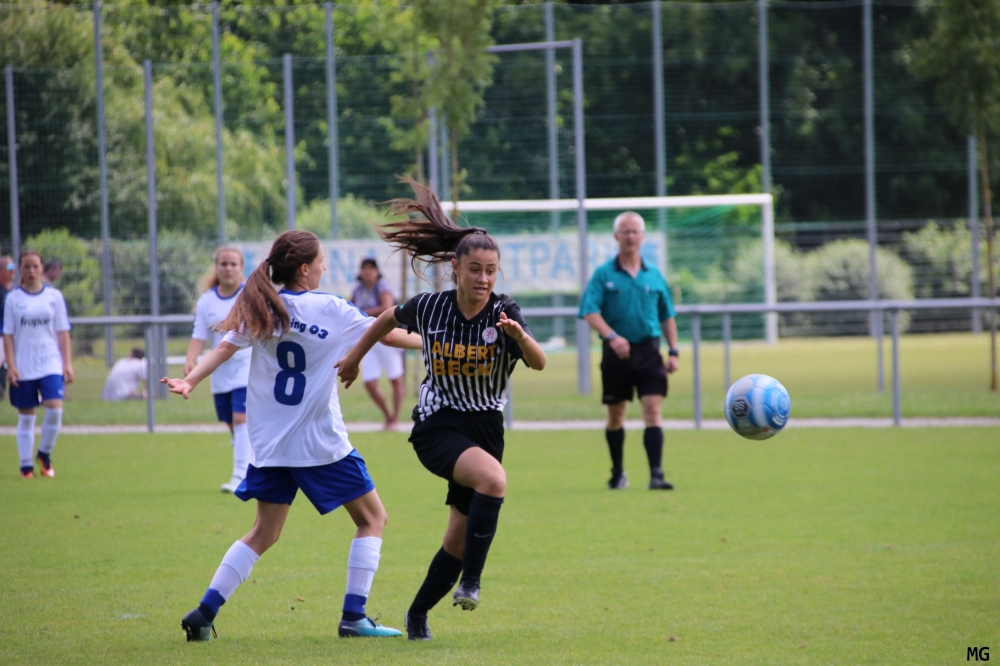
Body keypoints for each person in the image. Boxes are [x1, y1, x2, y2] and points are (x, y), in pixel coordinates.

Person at [162, 230, 423, 642]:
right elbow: (388, 334)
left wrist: (190, 380)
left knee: (263, 533)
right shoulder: (331, 308)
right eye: (320, 261)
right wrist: (436, 342)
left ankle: (204, 612)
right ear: (304, 268)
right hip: (321, 445)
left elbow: (224, 349)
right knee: (373, 519)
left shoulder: (265, 308)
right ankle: (354, 617)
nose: (324, 267)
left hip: (271, 447)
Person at [335, 178, 547, 641]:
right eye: (475, 270)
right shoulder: (431, 307)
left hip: (486, 429)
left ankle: (416, 615)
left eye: (491, 271)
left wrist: (521, 338)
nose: (483, 279)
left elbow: (538, 362)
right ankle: (472, 581)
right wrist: (354, 358)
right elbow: (386, 319)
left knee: (457, 539)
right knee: (494, 481)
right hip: (438, 425)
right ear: (455, 268)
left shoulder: (504, 312)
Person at [579, 211, 680, 491]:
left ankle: (656, 475)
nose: (631, 236)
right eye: (625, 231)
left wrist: (673, 351)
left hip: (649, 351)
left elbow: (667, 315)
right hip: (616, 354)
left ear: (643, 236)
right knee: (616, 415)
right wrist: (611, 336)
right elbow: (589, 311)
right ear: (616, 236)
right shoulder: (604, 274)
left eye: (635, 231)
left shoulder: (654, 275)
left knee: (653, 410)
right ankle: (618, 472)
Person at [185, 247, 253, 493]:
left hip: (246, 366)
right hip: (219, 371)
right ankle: (249, 462)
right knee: (231, 423)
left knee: (241, 418)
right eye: (224, 264)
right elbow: (199, 334)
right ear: (217, 267)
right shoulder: (207, 300)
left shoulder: (249, 295)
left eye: (233, 264)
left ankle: (239, 476)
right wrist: (190, 360)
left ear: (241, 268)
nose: (228, 268)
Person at [3, 250, 73, 479]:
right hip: (23, 365)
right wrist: (11, 365)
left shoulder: (54, 297)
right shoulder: (13, 299)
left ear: (42, 268)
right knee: (26, 417)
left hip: (50, 363)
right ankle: (26, 467)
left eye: (35, 266)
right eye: (27, 267)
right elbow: (8, 335)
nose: (31, 271)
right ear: (20, 270)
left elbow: (63, 332)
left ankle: (44, 454)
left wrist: (67, 363)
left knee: (55, 409)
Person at [349, 258, 405, 430]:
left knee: (395, 378)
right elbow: (350, 309)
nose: (367, 271)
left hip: (388, 336)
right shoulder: (358, 289)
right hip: (369, 339)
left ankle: (395, 418)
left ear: (377, 271)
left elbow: (387, 308)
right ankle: (388, 416)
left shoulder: (382, 285)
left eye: (371, 268)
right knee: (370, 383)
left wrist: (363, 313)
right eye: (364, 268)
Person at [0, 255, 16, 401]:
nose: (12, 271)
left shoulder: (15, 291)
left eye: (13, 267)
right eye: (9, 267)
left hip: (13, 336)